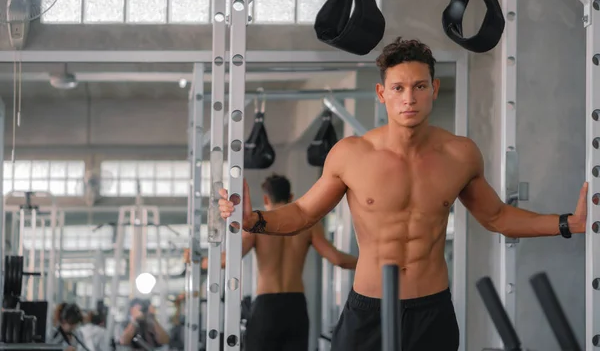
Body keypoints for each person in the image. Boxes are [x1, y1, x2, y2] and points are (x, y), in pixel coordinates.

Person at [217, 37, 588, 351]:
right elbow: (302, 213)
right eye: (398, 88)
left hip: (432, 310)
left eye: (419, 86)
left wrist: (567, 223)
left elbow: (497, 216)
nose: (408, 98)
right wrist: (254, 221)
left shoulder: (460, 155)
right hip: (369, 310)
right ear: (382, 93)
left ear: (434, 89)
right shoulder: (351, 154)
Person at [196, 174, 357, 351]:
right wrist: (373, 263)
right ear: (291, 197)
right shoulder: (310, 227)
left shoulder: (256, 226)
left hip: (267, 306)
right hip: (295, 306)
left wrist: (197, 261)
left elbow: (226, 260)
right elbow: (338, 259)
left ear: (266, 198)